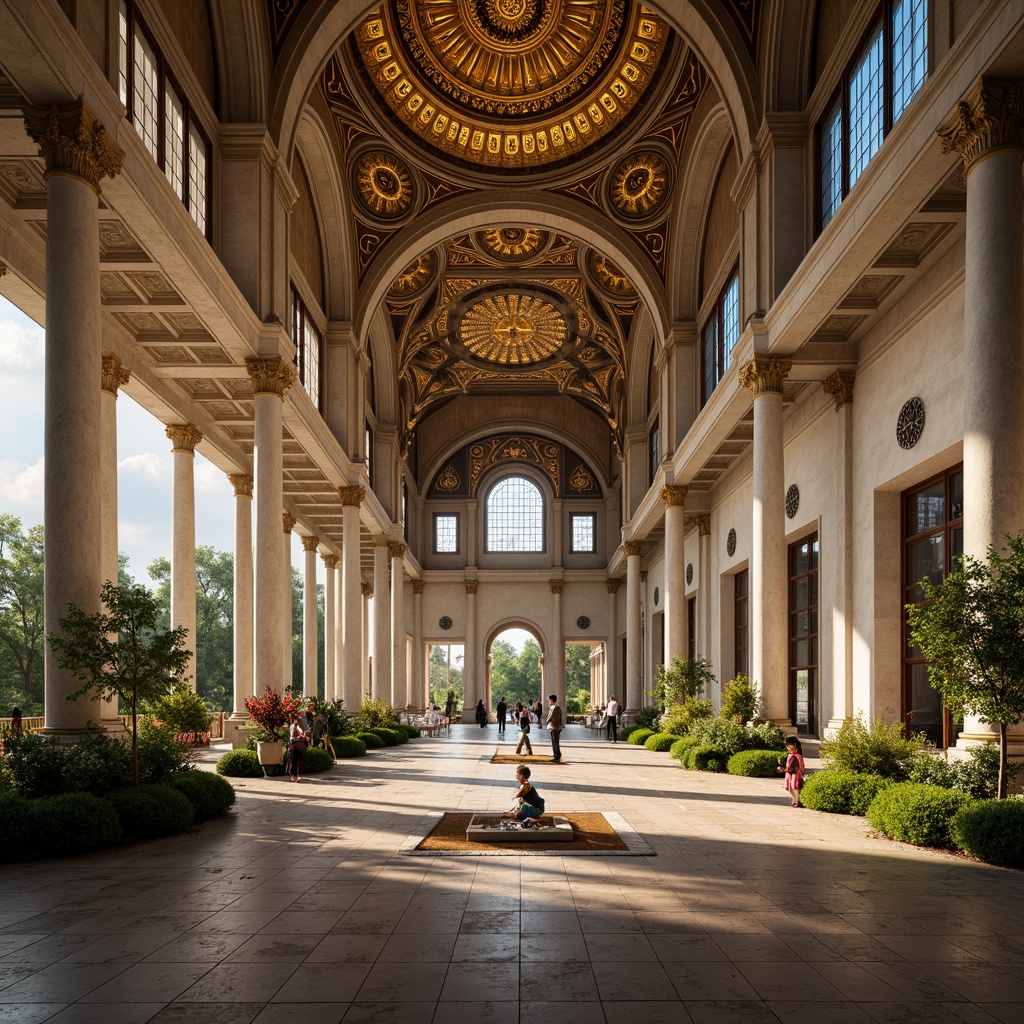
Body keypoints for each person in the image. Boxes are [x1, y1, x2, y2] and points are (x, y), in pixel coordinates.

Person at [778, 736, 805, 806]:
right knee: (789, 787)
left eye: (788, 745)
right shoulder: (791, 755)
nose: (787, 747)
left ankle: (796, 801)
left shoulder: (796, 756)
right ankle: (794, 799)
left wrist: (784, 770)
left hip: (795, 774)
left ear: (794, 745)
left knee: (794, 787)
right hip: (790, 774)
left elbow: (794, 767)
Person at [287, 714, 308, 782]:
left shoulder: (299, 726)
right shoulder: (293, 726)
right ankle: (293, 775)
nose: (300, 720)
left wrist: (304, 737)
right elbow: (291, 738)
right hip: (294, 745)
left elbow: (302, 734)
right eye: (298, 718)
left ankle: (298, 775)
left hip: (300, 745)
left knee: (300, 761)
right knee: (293, 761)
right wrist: (298, 737)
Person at [545, 693, 564, 763]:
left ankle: (557, 756)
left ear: (552, 701)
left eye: (549, 701)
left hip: (554, 728)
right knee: (554, 742)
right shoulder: (553, 708)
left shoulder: (556, 708)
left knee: (555, 742)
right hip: (552, 727)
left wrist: (546, 722)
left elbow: (553, 718)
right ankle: (556, 754)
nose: (548, 702)